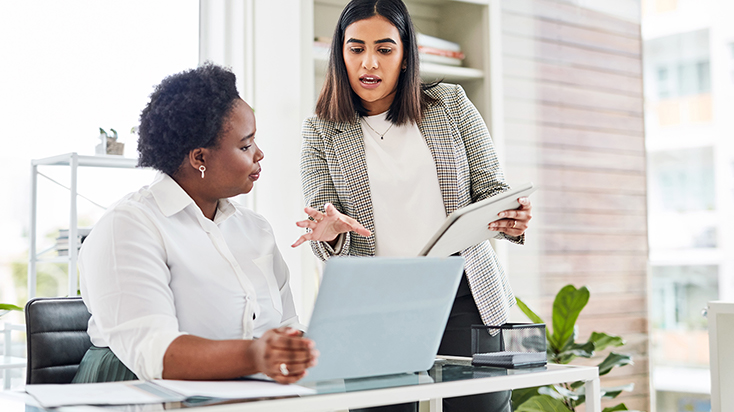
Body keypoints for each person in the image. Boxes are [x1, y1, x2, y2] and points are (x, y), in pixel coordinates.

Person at [293, 0, 532, 411]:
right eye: (356, 48)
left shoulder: (451, 104)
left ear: (405, 55)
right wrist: (329, 232)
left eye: (384, 49)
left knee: (484, 406)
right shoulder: (321, 130)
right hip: (376, 302)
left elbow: (492, 189)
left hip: (464, 292)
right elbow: (323, 222)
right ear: (340, 53)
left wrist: (511, 217)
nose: (369, 62)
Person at [73, 64, 320, 384]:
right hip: (136, 393)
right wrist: (254, 355)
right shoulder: (128, 227)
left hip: (241, 393)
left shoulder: (255, 229)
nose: (259, 154)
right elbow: (154, 354)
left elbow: (286, 326)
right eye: (245, 146)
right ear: (199, 158)